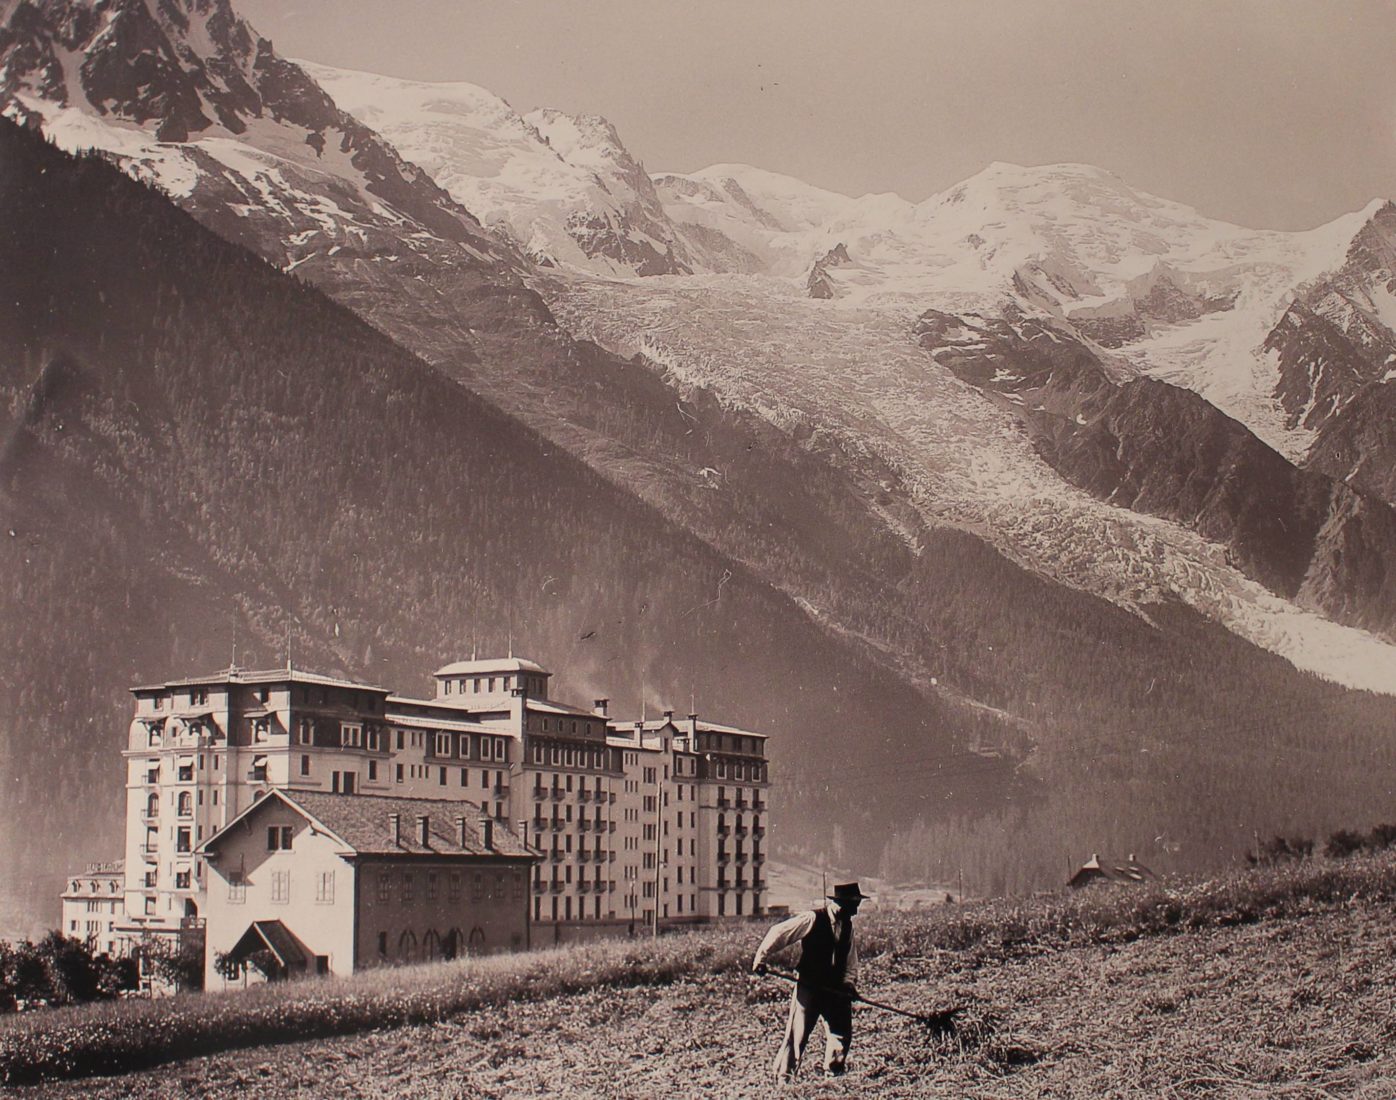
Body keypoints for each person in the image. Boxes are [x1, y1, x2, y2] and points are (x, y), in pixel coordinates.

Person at [751, 882, 870, 1081]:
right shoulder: (813, 918)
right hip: (810, 985)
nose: (856, 911)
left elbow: (851, 959)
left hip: (835, 988)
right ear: (841, 903)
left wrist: (849, 984)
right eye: (854, 905)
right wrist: (761, 958)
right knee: (797, 1034)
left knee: (841, 1034)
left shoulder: (847, 927)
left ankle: (834, 1074)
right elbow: (778, 933)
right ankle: (784, 1079)